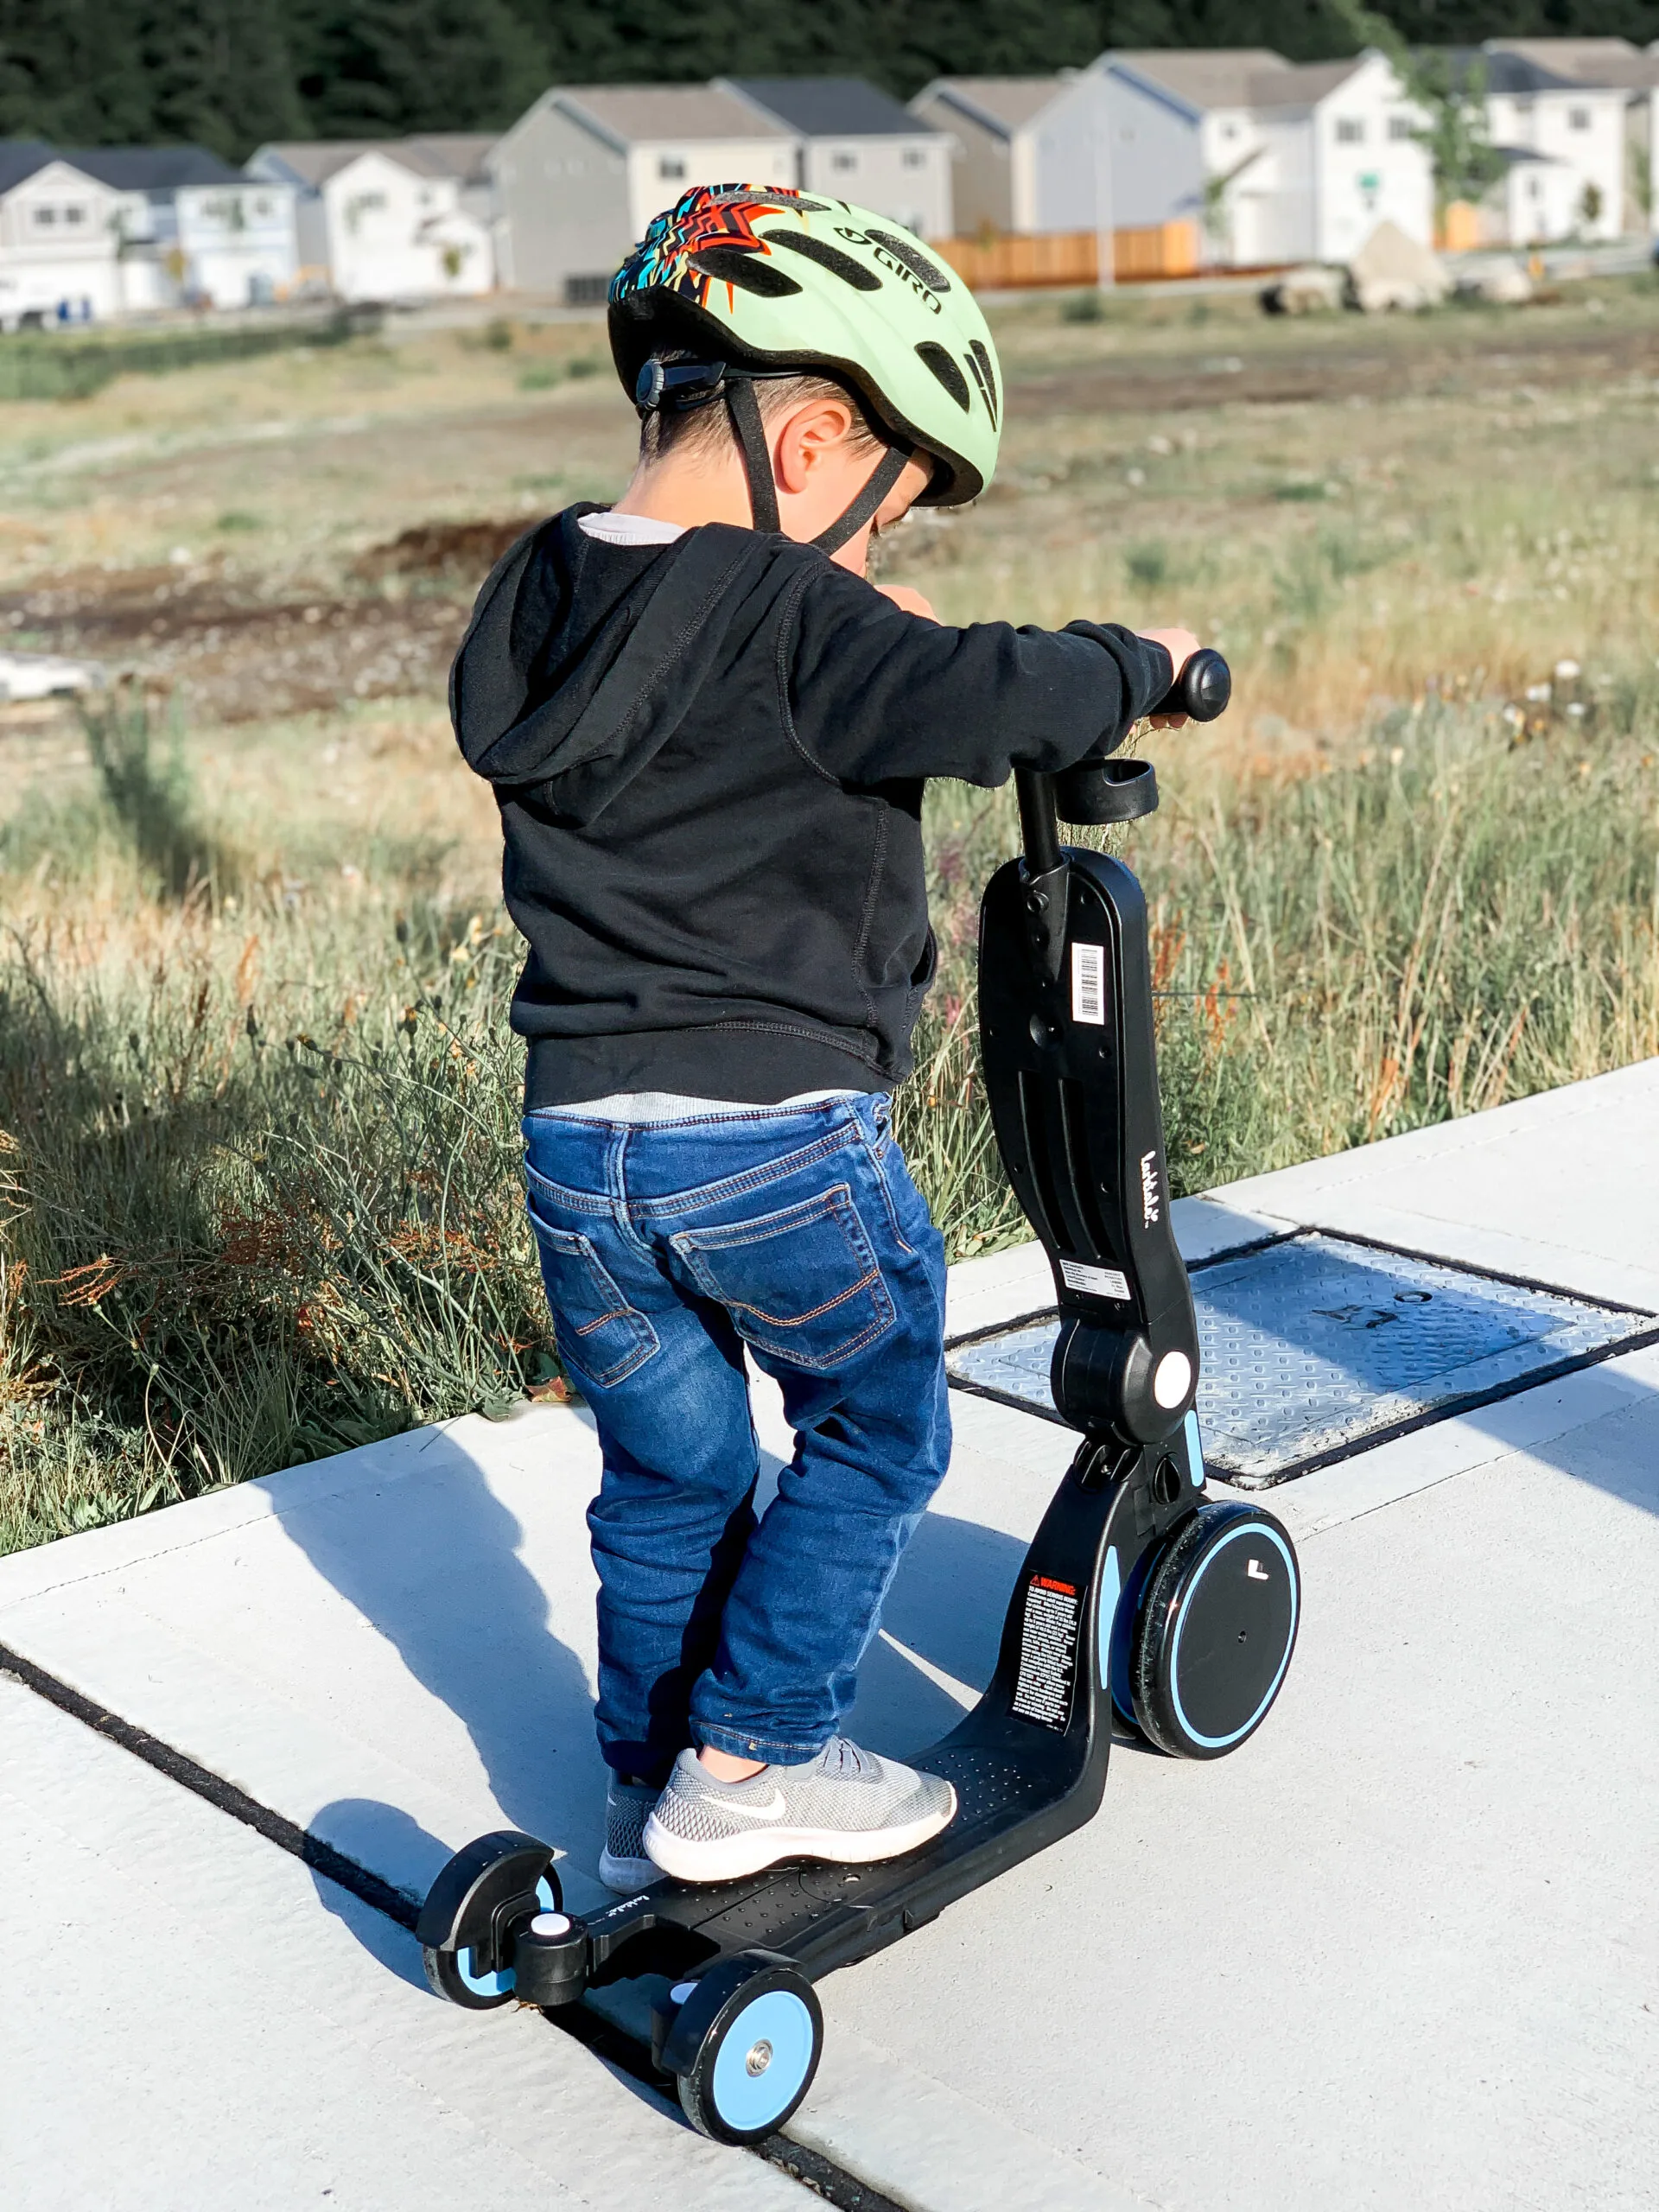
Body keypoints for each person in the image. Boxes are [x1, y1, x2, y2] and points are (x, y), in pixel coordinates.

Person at [451, 185, 1199, 1891]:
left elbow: (786, 669)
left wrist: (873, 630)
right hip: (771, 1138)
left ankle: (654, 1775)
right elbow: (998, 689)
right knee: (875, 1424)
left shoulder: (545, 595)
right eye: (886, 520)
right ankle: (758, 1756)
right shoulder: (794, 617)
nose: (876, 568)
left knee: (671, 1469)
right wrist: (1139, 659)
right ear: (807, 446)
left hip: (581, 1148)